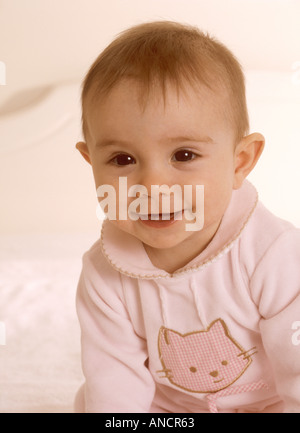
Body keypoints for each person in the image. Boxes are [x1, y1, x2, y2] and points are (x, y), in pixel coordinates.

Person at [74, 21, 300, 413]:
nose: (154, 185)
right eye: (123, 160)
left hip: (270, 401)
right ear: (91, 162)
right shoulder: (104, 273)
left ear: (239, 162)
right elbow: (114, 376)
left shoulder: (274, 253)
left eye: (184, 155)